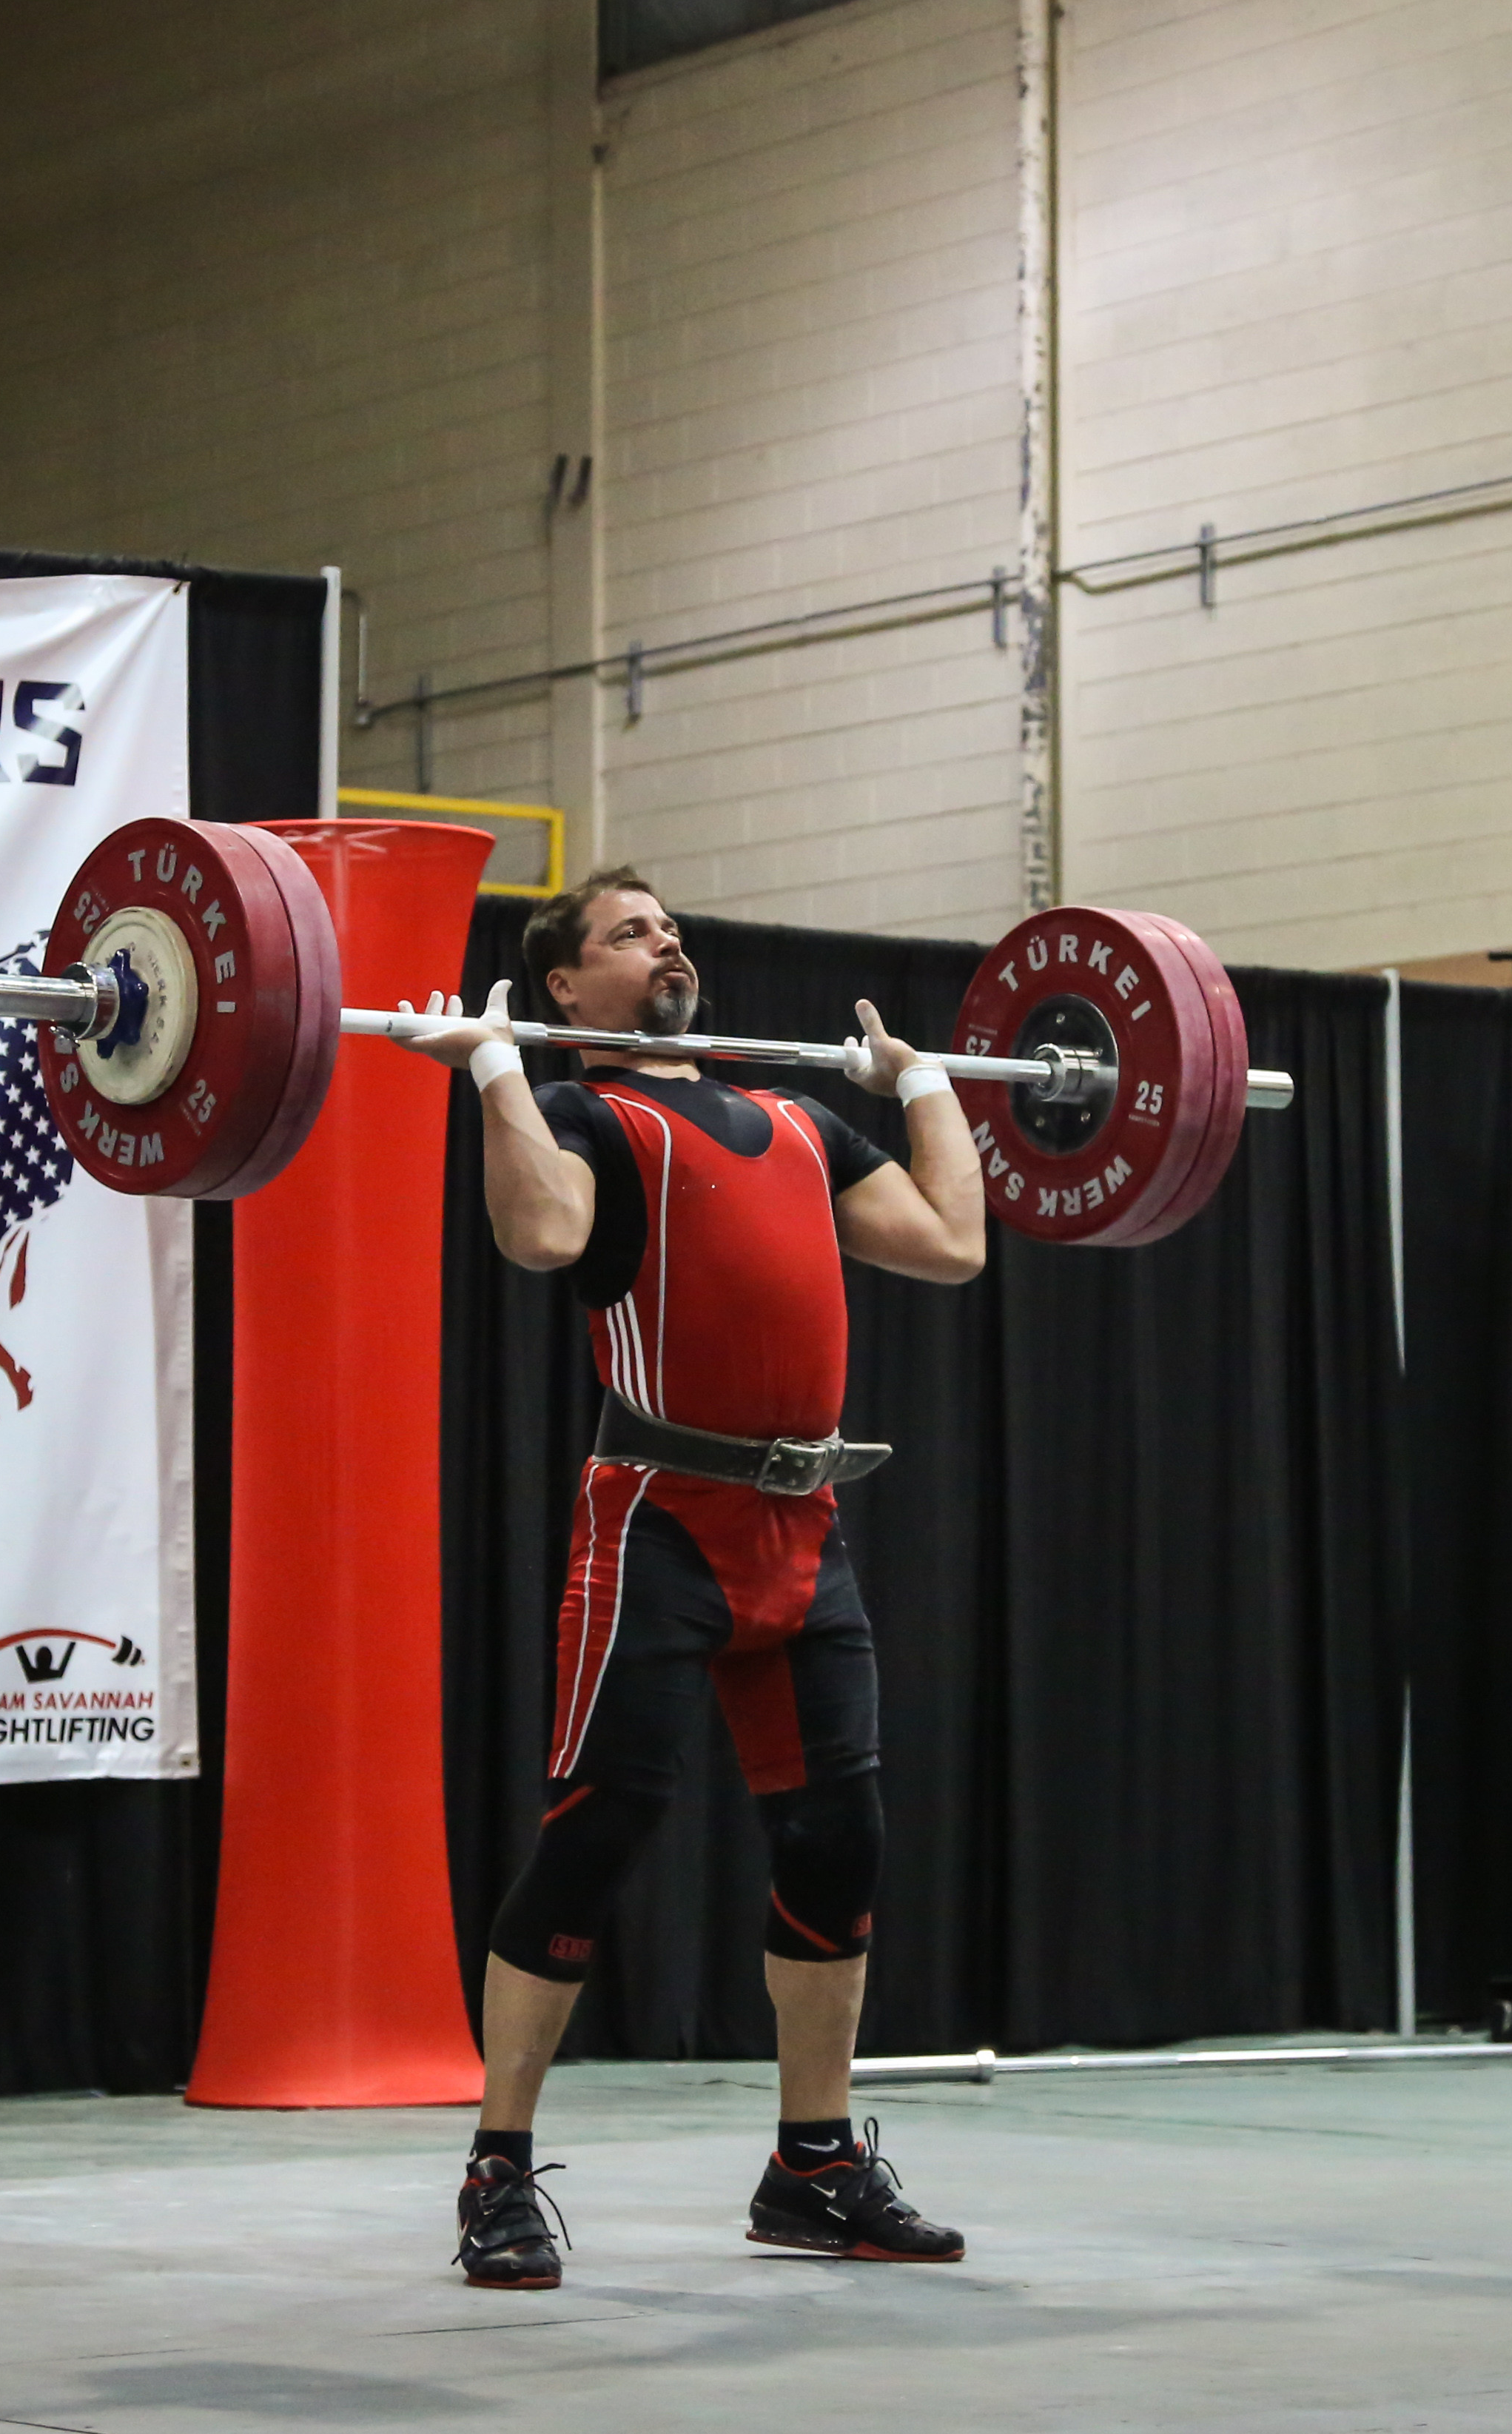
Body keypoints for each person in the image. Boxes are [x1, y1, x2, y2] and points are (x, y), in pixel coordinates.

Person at [400, 869, 987, 2290]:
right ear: (564, 989)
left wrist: (925, 1088)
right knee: (600, 1831)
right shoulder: (596, 1115)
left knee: (837, 1844)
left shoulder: (799, 1118)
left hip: (804, 1534)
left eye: (667, 925)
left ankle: (814, 2162)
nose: (663, 941)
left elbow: (953, 1244)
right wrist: (490, 1073)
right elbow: (540, 1233)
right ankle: (495, 2164)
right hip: (658, 1522)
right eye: (625, 931)